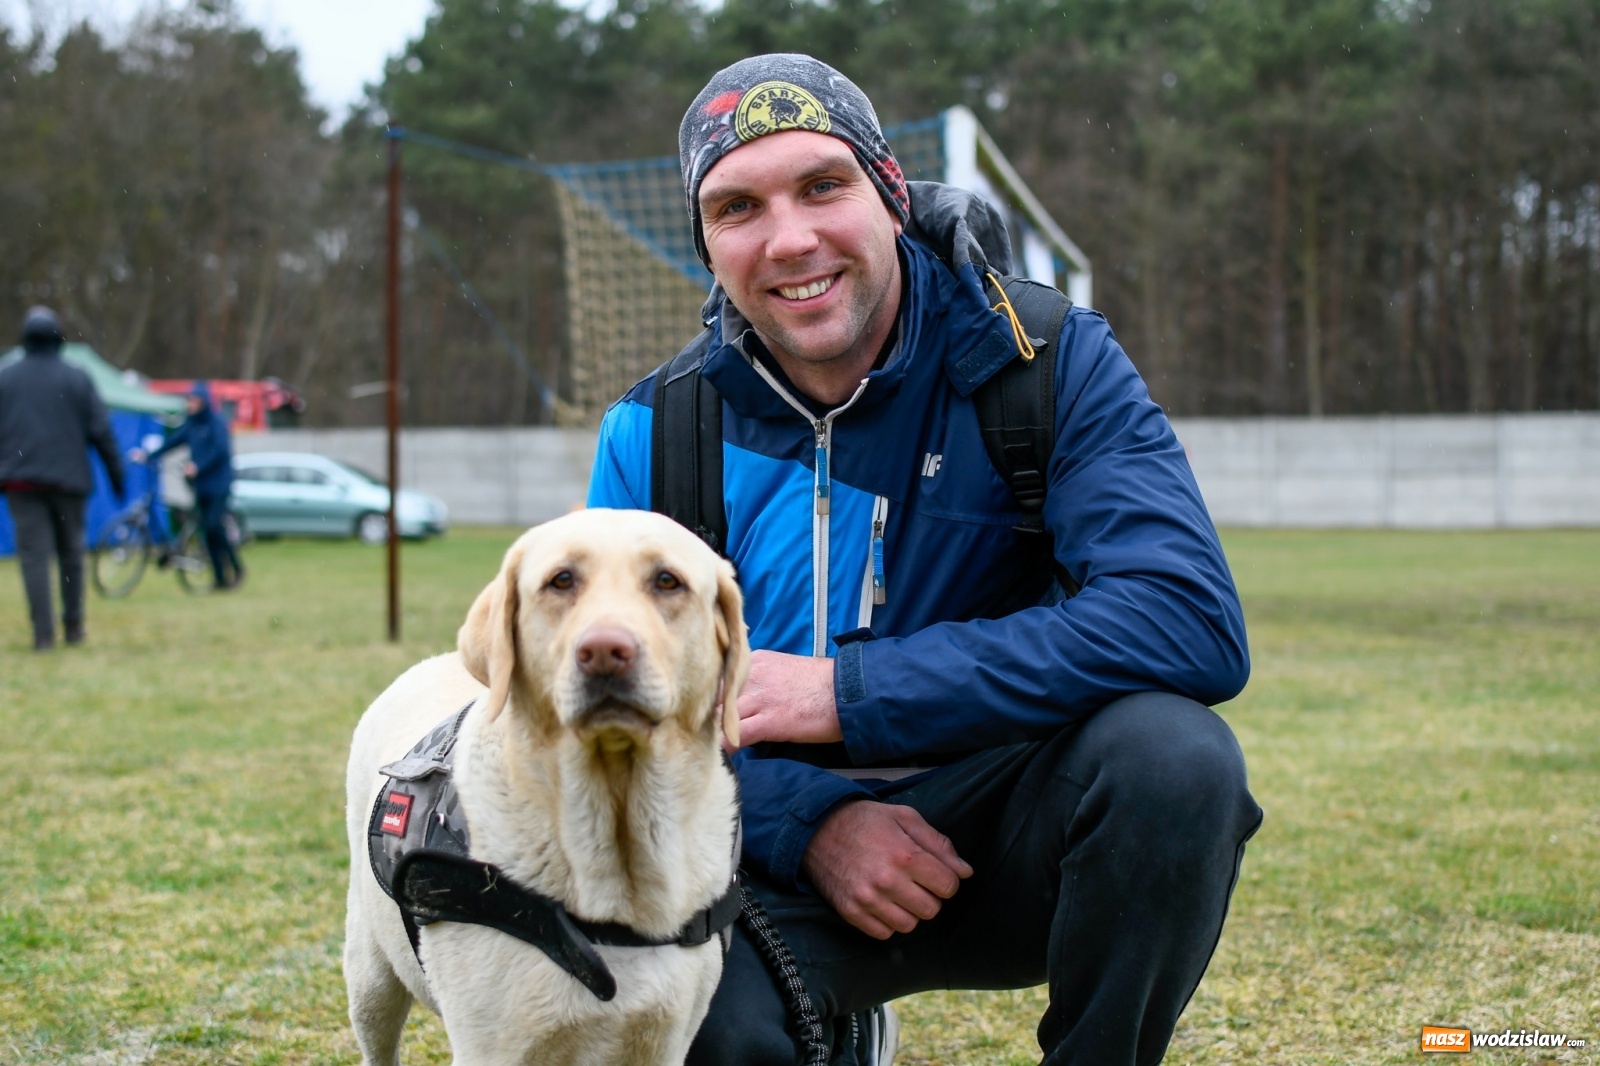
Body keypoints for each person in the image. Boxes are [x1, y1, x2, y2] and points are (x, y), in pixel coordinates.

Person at [587, 54, 1263, 1066]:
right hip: (758, 859)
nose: (790, 239)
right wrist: (807, 821)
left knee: (1174, 760)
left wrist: (848, 695)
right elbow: (609, 728)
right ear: (707, 245)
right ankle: (824, 1023)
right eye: (738, 208)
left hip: (1006, 837)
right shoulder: (654, 432)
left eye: (823, 185)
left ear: (891, 192)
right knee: (689, 1023)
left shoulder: (1045, 359)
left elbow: (1186, 620)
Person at [0, 306, 125, 650]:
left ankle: (43, 635)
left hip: (22, 483)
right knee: (71, 554)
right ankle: (73, 626)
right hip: (69, 483)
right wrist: (117, 475)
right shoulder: (76, 377)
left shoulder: (6, 378)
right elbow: (101, 431)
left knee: (34, 558)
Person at [138, 382, 243, 590]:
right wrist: (150, 455)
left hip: (219, 485)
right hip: (201, 485)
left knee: (214, 526)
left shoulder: (216, 423)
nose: (190, 404)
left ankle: (236, 568)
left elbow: (220, 450)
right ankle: (220, 578)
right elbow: (173, 441)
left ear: (203, 402)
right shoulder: (192, 424)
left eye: (194, 400)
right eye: (189, 400)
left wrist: (198, 466)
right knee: (208, 531)